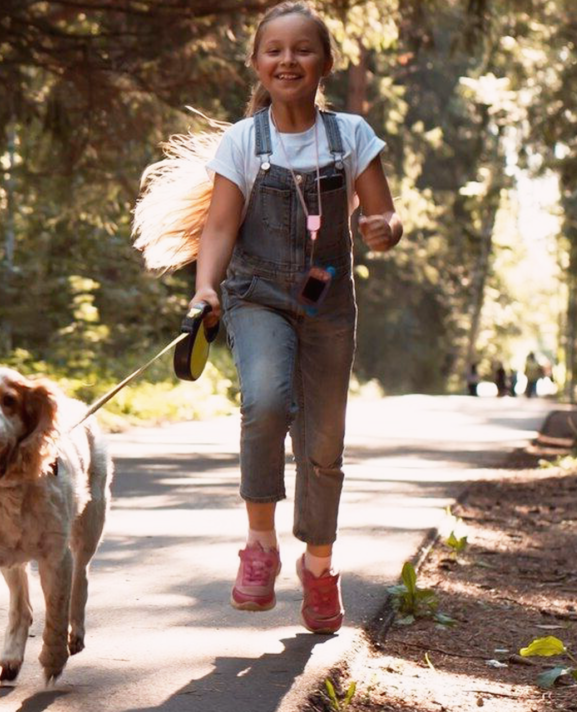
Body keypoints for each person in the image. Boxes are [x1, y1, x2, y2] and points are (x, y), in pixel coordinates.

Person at [189, 1, 402, 635]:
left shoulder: (352, 136)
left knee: (325, 444)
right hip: (256, 295)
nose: (288, 60)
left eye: (302, 49)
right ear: (256, 63)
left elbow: (386, 216)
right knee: (266, 401)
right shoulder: (243, 141)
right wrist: (206, 289)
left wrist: (382, 229)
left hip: (328, 300)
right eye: (274, 50)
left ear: (325, 63)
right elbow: (220, 226)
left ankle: (318, 565)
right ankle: (260, 547)